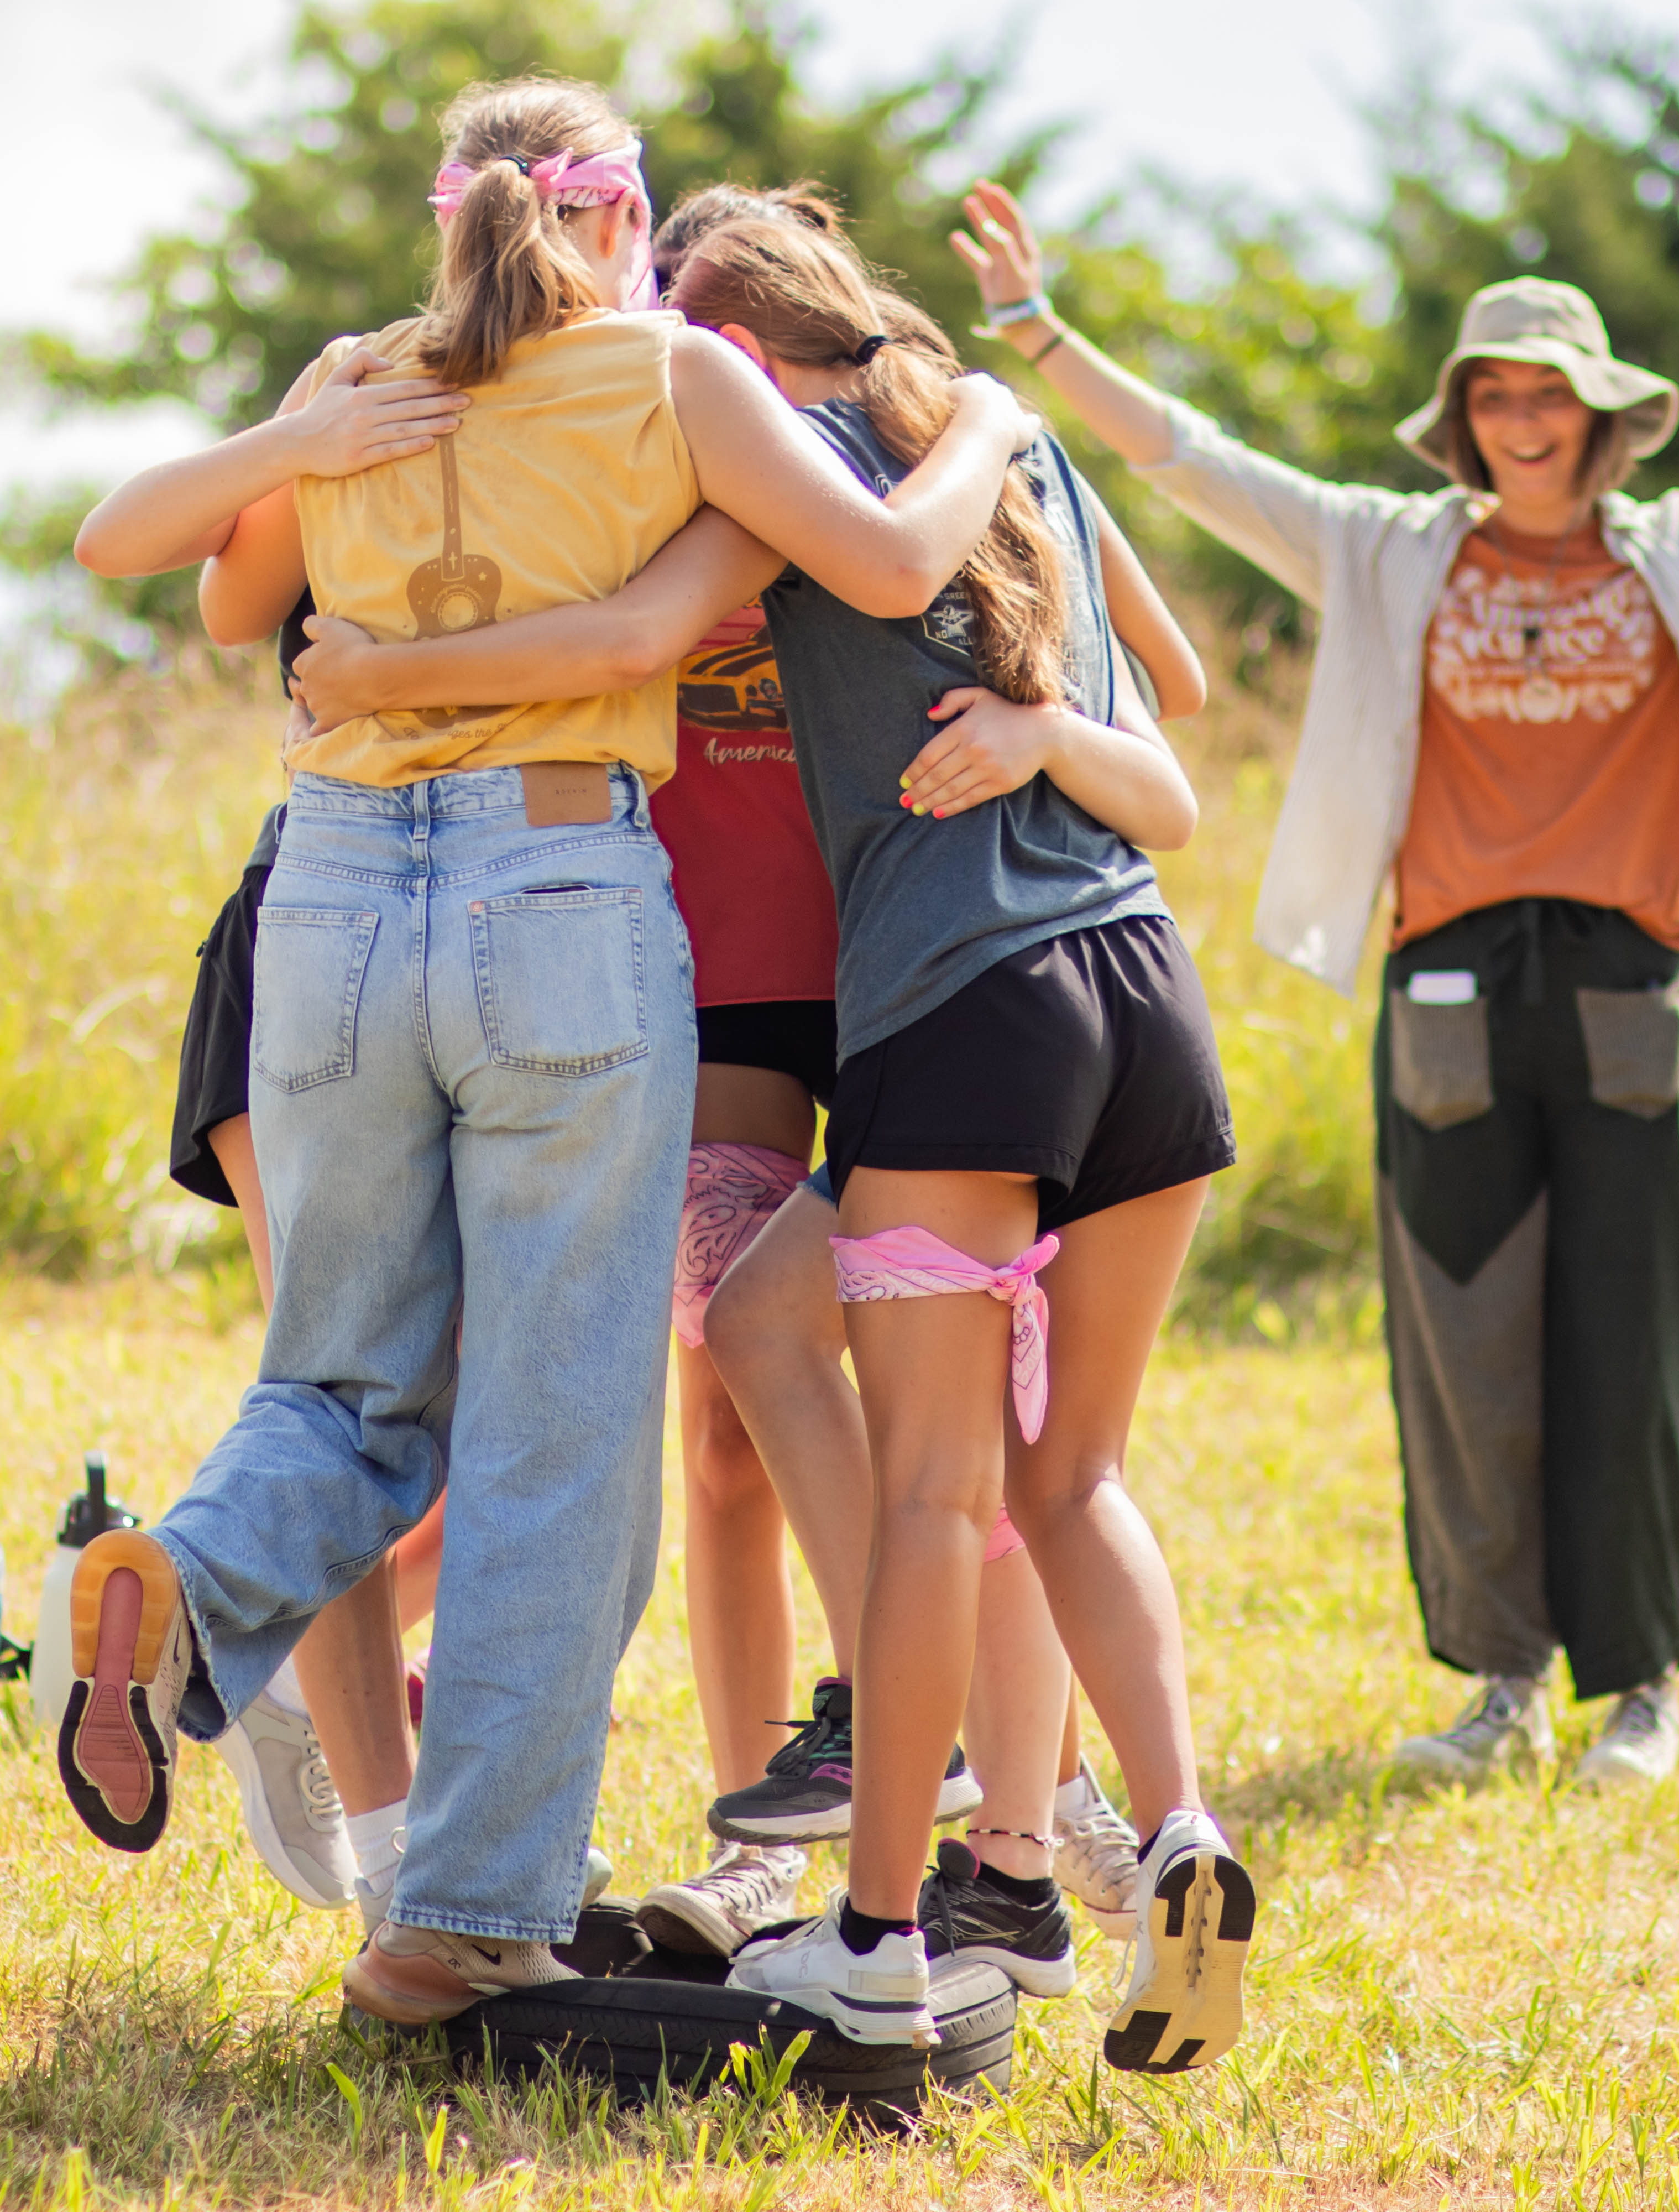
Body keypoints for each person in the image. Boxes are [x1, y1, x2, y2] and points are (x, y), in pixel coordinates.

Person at [53, 72, 1042, 2031]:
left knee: (342, 1381)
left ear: (450, 215)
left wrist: (303, 441)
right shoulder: (672, 373)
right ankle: (462, 1921)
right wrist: (998, 412)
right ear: (627, 217)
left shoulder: (361, 377)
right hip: (555, 892)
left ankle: (187, 1581)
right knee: (561, 1433)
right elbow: (881, 566)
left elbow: (202, 585)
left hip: (331, 904)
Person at [943, 137, 1679, 1791]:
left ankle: (1642, 1690)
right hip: (1448, 989)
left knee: (1639, 1335)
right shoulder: (1389, 548)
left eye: (1550, 395)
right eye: (1494, 396)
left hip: (1631, 986)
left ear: (1604, 414)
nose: (1523, 422)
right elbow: (1193, 459)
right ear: (1462, 418)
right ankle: (1500, 1685)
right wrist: (1036, 327)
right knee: (1463, 1342)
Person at [305, 217, 1257, 2069]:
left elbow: (636, 633)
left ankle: (887, 1932)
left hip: (965, 1013)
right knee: (1036, 1456)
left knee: (934, 1495)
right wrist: (1038, 673)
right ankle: (1174, 1840)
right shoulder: (1017, 453)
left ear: (731, 350)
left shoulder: (793, 472)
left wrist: (377, 675)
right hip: (1149, 997)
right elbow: (1178, 721)